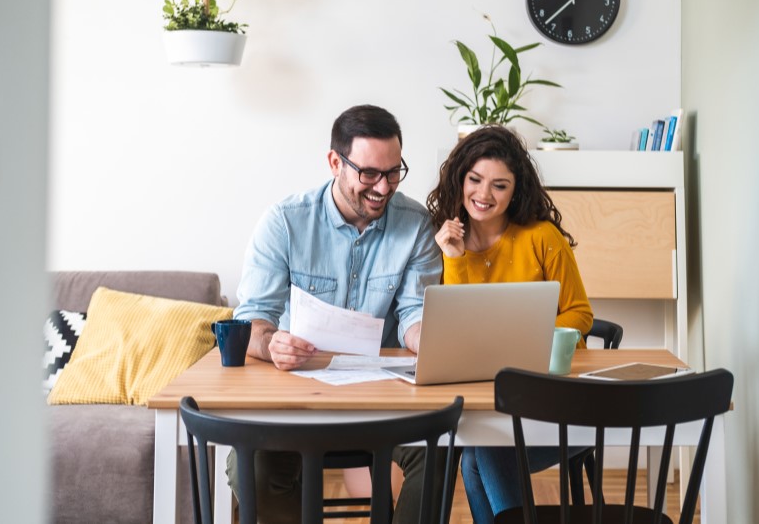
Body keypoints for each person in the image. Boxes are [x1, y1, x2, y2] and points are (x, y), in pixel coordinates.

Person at [228, 104, 449, 524]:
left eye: (393, 172)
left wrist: (429, 339)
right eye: (369, 174)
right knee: (251, 469)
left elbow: (415, 312)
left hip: (385, 401)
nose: (383, 187)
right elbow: (253, 319)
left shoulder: (416, 223)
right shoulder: (285, 223)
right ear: (335, 162)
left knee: (441, 452)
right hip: (297, 399)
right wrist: (271, 343)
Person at [426, 124, 593, 523]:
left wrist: (530, 339)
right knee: (478, 454)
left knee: (482, 450)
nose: (484, 195)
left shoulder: (542, 237)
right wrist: (454, 257)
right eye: (475, 180)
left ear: (516, 190)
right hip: (491, 401)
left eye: (499, 185)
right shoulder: (445, 241)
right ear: (459, 179)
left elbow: (579, 312)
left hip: (552, 403)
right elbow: (458, 326)